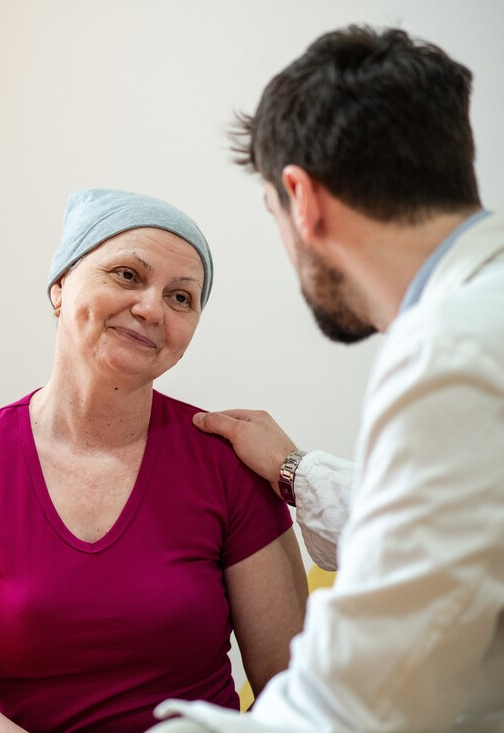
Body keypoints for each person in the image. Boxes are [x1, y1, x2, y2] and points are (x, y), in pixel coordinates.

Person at [150, 25, 504, 732]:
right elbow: (458, 531)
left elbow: (354, 704)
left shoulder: (451, 351)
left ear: (301, 197)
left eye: (181, 294)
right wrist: (294, 469)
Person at [0, 188, 308, 732]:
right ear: (61, 286)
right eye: (128, 275)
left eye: (182, 298)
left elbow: (292, 685)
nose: (151, 308)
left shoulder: (228, 464)